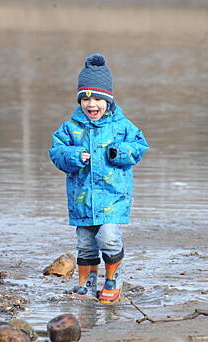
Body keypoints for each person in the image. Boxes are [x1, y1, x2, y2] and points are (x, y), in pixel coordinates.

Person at [49, 54, 149, 304]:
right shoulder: (71, 128)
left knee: (108, 238)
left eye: (97, 99)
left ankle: (114, 277)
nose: (91, 104)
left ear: (108, 100)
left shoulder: (122, 126)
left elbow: (140, 147)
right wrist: (73, 156)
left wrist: (119, 152)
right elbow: (56, 152)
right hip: (82, 197)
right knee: (85, 244)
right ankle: (87, 281)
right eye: (85, 99)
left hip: (113, 196)